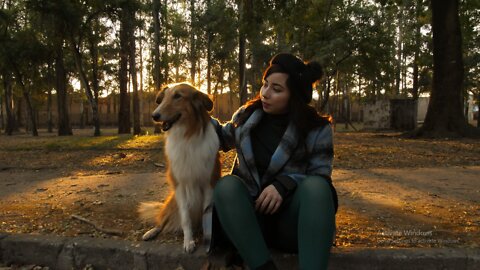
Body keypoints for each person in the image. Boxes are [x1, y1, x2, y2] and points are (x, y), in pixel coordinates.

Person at [210, 53, 338, 270]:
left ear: (294, 96)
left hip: (293, 225)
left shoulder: (317, 129)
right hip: (249, 223)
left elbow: (321, 175)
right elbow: (220, 138)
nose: (265, 94)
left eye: (276, 89)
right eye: (265, 85)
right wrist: (192, 110)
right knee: (226, 186)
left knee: (318, 187)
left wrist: (284, 184)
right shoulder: (246, 115)